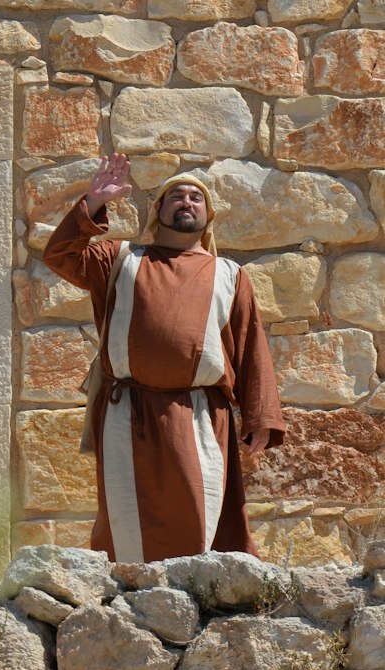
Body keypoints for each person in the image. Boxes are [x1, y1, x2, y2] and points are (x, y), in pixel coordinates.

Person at [43, 153, 284, 563]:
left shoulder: (229, 274)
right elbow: (61, 255)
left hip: (200, 416)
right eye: (175, 196)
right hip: (126, 413)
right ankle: (129, 605)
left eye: (195, 197)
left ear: (208, 216)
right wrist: (94, 202)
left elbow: (250, 346)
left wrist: (261, 416)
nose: (186, 202)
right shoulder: (120, 261)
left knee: (200, 513)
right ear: (157, 210)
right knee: (124, 518)